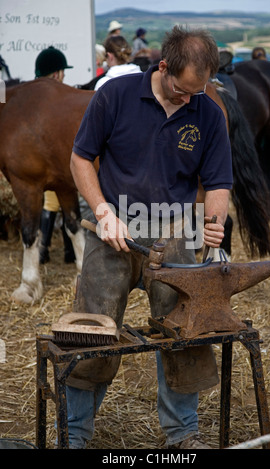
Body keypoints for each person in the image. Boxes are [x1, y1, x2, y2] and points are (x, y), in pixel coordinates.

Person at [68, 25, 232, 450]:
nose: (187, 99)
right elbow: (81, 158)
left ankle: (182, 435)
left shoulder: (207, 113)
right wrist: (103, 212)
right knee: (94, 331)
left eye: (196, 93)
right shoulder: (116, 95)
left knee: (184, 333)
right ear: (162, 66)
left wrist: (214, 222)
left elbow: (217, 183)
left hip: (174, 234)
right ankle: (74, 433)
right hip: (114, 231)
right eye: (181, 90)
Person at [34, 47, 76, 264]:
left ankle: (49, 250)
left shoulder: (31, 99)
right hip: (57, 162)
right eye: (62, 71)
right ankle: (46, 250)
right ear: (56, 73)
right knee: (56, 201)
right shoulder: (57, 99)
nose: (64, 76)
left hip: (40, 162)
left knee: (55, 202)